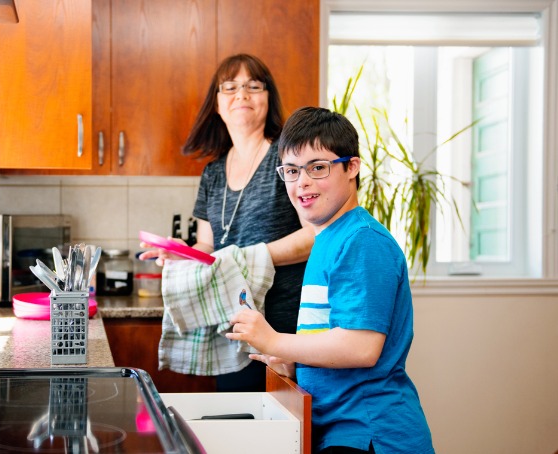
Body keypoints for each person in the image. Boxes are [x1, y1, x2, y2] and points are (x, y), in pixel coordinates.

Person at [226, 106, 434, 453]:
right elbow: (332, 338)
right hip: (342, 428)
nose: (302, 182)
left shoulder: (362, 240)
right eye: (291, 170)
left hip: (372, 433)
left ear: (352, 167)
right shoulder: (326, 238)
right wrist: (294, 363)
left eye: (317, 167)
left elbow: (361, 347)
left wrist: (276, 341)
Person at [140, 54, 314, 392]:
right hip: (234, 320)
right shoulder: (213, 172)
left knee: (285, 431)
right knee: (240, 423)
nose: (242, 95)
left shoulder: (288, 158)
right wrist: (182, 255)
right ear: (217, 105)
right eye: (230, 87)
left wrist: (245, 256)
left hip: (286, 324)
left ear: (268, 98)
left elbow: (314, 236)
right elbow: (207, 245)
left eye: (253, 86)